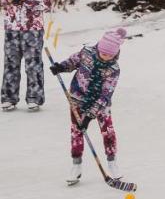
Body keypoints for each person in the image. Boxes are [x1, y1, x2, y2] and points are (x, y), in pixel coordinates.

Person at [50, 28, 126, 185]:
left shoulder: (113, 70)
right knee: (76, 131)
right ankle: (76, 166)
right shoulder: (86, 53)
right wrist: (61, 67)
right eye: (103, 53)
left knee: (108, 131)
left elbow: (105, 95)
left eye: (109, 55)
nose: (105, 57)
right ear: (99, 48)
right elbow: (73, 62)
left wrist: (90, 116)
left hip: (100, 104)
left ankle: (112, 163)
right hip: (78, 98)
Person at [0, 0, 51, 112]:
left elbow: (46, 3)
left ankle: (34, 97)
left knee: (33, 64)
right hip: (12, 27)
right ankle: (9, 97)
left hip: (32, 29)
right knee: (10, 63)